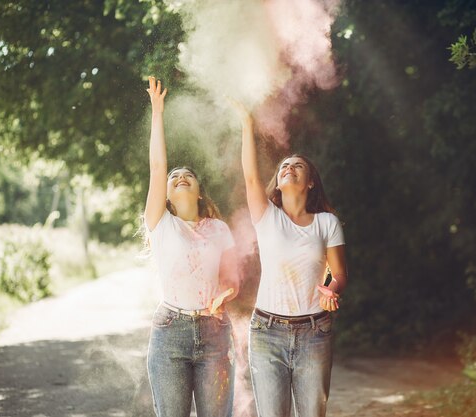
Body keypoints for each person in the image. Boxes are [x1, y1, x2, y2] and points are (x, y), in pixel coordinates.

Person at [231, 99, 348, 417]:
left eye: (297, 166)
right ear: (279, 182)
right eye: (284, 166)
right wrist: (247, 124)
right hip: (267, 332)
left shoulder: (327, 223)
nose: (288, 168)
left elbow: (334, 272)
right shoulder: (267, 217)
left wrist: (329, 289)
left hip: (315, 333)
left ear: (310, 182)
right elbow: (252, 177)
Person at [144, 76, 237, 417]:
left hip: (215, 335)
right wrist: (158, 113)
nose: (179, 177)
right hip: (170, 334)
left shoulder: (220, 229)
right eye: (174, 177)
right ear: (167, 195)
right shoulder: (161, 224)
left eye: (188, 176)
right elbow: (157, 167)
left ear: (199, 191)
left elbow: (232, 279)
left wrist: (226, 294)